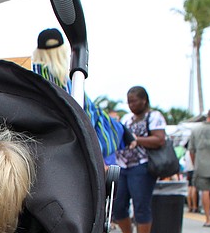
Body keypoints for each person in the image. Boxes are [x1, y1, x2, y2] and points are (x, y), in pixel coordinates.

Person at [31, 28, 133, 166]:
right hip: (71, 154)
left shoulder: (32, 80)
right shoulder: (71, 84)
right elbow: (88, 116)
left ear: (38, 52)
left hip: (41, 153)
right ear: (63, 51)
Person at [112, 86, 167, 233]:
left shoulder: (154, 116)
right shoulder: (127, 119)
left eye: (134, 101)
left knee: (141, 206)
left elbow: (159, 139)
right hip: (124, 166)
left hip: (142, 167)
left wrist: (137, 140)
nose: (130, 105)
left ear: (144, 100)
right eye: (128, 101)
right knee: (118, 205)